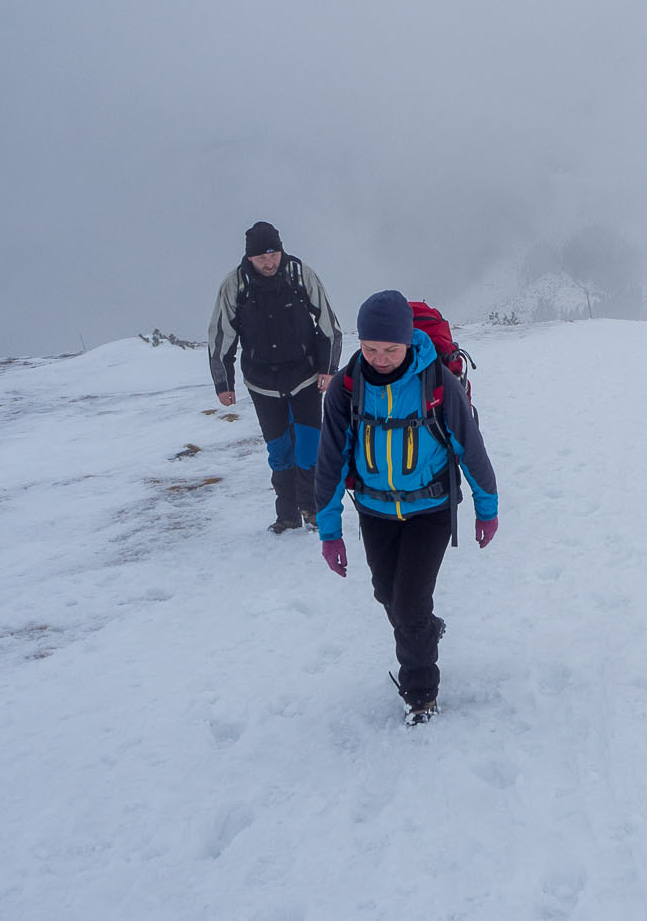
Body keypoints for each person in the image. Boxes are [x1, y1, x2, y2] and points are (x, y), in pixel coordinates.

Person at [314, 289, 499, 726]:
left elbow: (471, 450)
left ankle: (420, 694)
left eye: (391, 349)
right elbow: (329, 463)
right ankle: (427, 632)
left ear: (408, 339)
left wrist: (486, 507)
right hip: (375, 511)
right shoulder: (345, 390)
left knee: (411, 602)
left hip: (431, 509)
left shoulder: (436, 383)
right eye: (370, 348)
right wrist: (329, 531)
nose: (380, 357)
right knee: (388, 595)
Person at [208, 222, 343, 532]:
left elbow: (328, 325)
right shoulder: (235, 285)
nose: (269, 263)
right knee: (280, 451)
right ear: (249, 258)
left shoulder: (299, 274)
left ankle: (311, 508)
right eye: (261, 257)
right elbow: (220, 337)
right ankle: (287, 515)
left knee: (309, 447)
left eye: (274, 254)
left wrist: (328, 369)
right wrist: (223, 384)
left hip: (306, 377)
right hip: (262, 383)